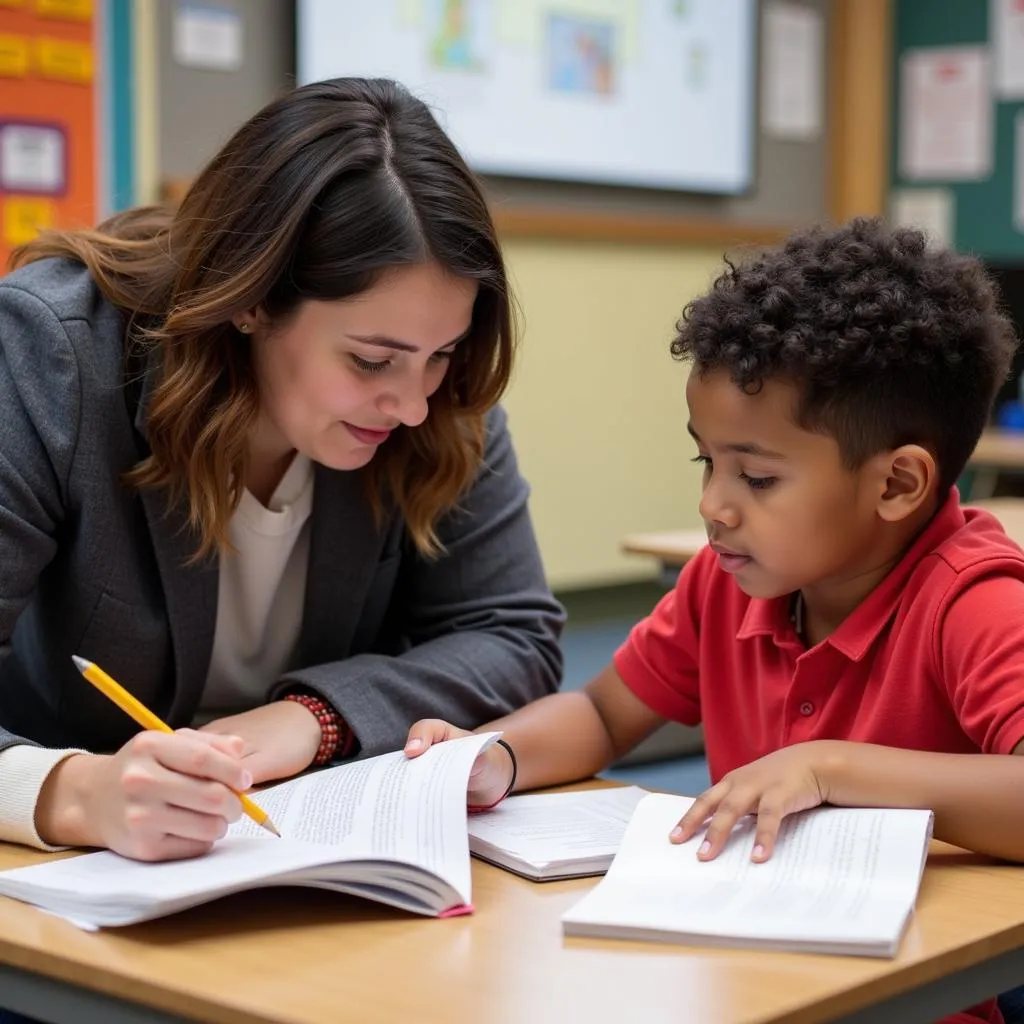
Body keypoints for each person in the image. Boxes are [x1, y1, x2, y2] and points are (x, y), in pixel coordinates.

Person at [406, 218, 1024, 1024]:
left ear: (898, 484)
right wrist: (499, 757)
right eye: (708, 461)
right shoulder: (726, 585)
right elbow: (602, 712)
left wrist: (832, 769)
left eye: (757, 478)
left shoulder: (974, 601)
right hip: (738, 982)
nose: (713, 505)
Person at [0, 76, 564, 866]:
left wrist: (311, 719)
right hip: (62, 877)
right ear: (253, 300)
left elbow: (513, 634)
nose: (410, 405)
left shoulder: (437, 397)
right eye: (372, 359)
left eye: (440, 355)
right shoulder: (49, 355)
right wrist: (71, 792)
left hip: (298, 848)